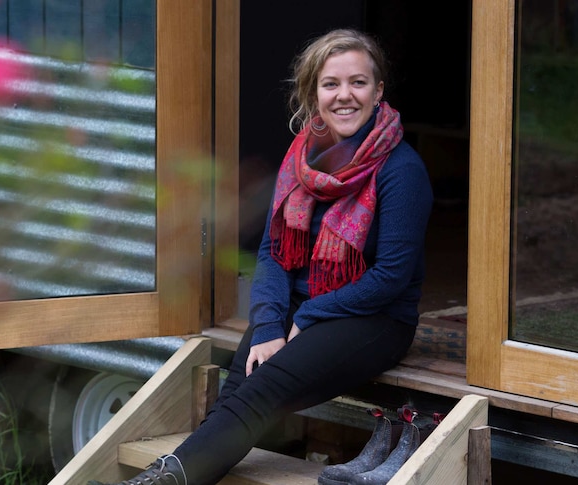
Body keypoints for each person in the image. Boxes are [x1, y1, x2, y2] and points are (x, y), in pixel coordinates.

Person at [88, 28, 433, 485]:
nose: (344, 95)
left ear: (378, 90)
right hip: (301, 310)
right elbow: (273, 252)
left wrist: (307, 316)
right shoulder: (301, 160)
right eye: (331, 84)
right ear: (313, 93)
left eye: (358, 82)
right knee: (239, 386)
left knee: (261, 388)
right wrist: (270, 324)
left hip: (375, 319)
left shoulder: (401, 169)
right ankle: (164, 477)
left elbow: (390, 277)